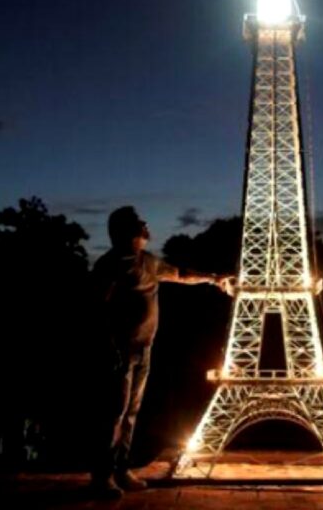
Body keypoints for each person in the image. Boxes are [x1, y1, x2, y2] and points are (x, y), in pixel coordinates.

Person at [90, 206, 230, 496]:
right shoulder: (110, 266)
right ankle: (102, 477)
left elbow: (180, 274)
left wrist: (213, 278)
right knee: (114, 413)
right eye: (140, 223)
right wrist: (109, 347)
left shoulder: (149, 262)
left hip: (143, 348)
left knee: (130, 413)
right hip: (120, 351)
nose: (146, 226)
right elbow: (95, 309)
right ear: (128, 232)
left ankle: (120, 469)